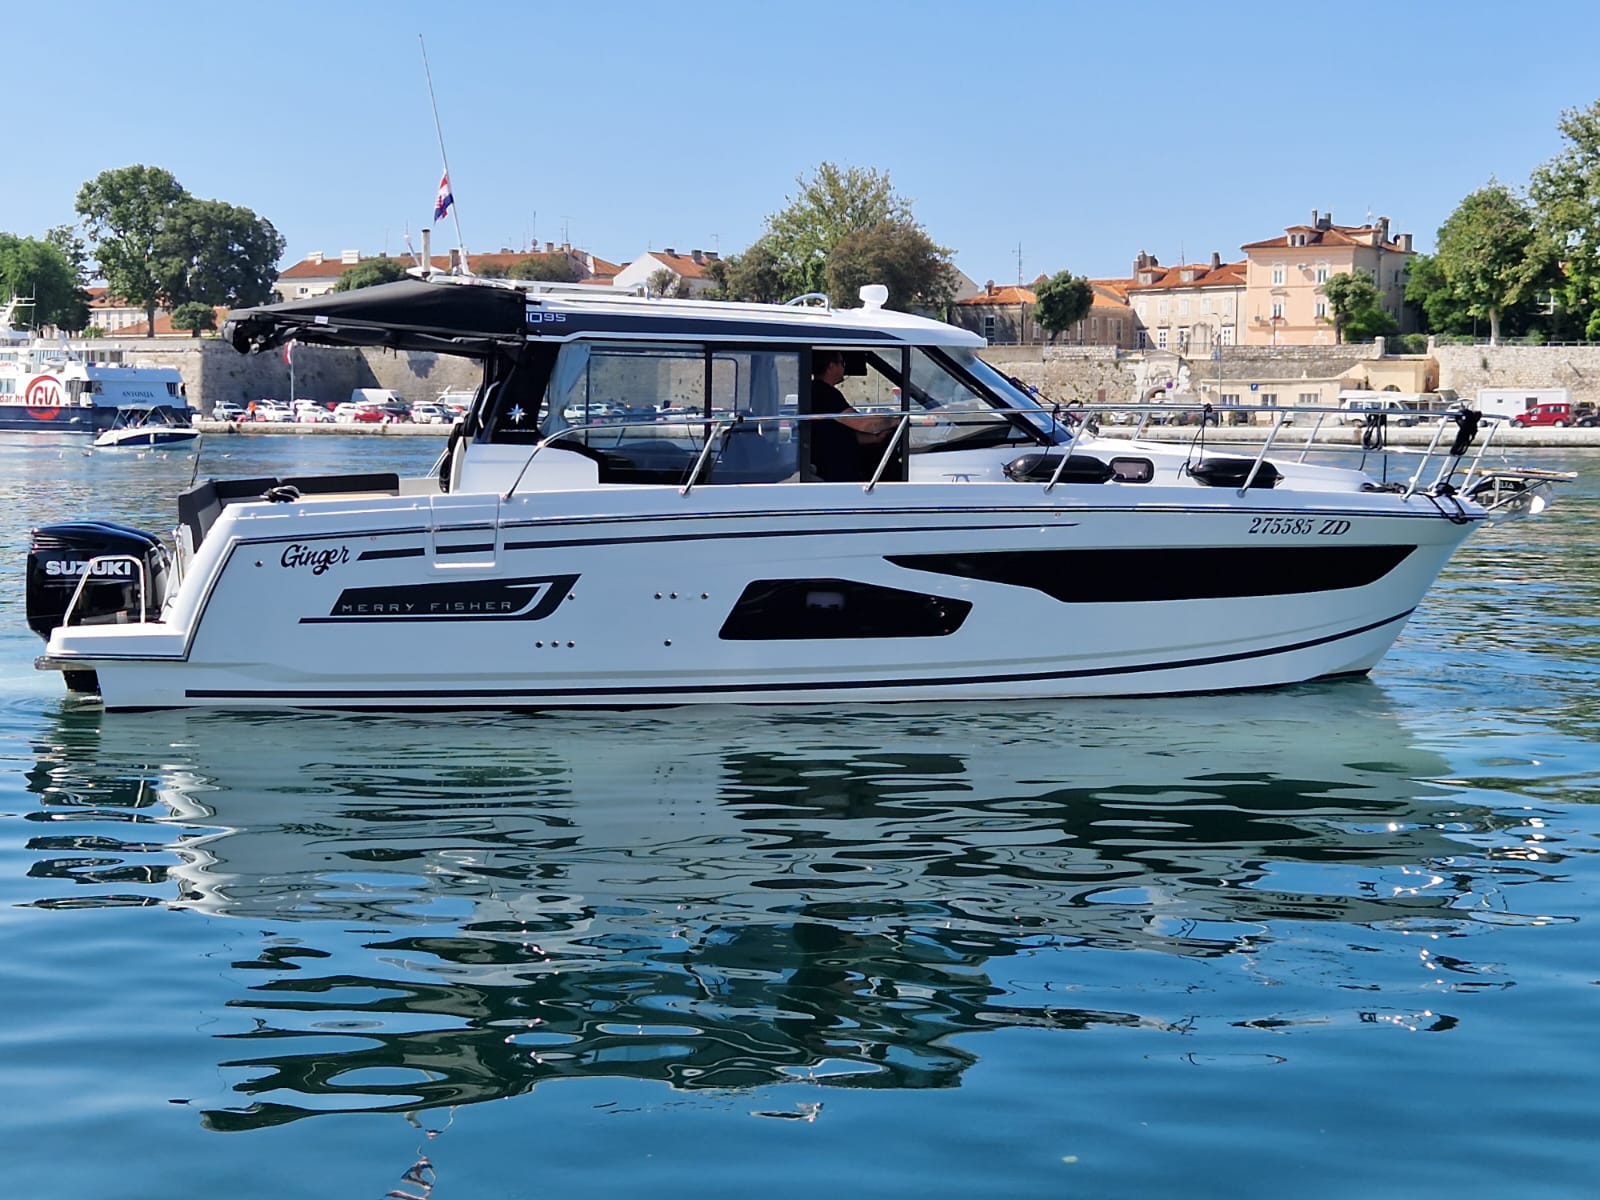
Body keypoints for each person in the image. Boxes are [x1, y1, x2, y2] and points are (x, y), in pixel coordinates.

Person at [807, 350, 897, 481]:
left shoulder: (820, 391)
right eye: (842, 363)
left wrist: (875, 438)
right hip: (833, 467)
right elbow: (863, 423)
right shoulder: (824, 394)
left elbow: (838, 432)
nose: (844, 368)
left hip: (832, 461)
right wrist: (896, 421)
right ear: (831, 366)